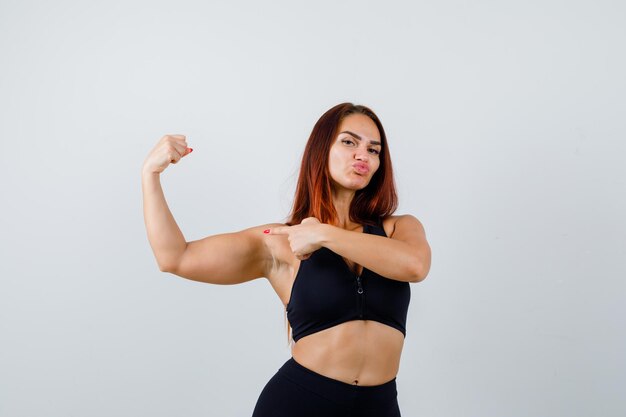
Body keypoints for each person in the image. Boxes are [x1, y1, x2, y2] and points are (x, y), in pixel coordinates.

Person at [141, 102, 431, 417]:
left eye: (374, 150)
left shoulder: (399, 228)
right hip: (299, 404)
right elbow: (174, 257)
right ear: (322, 150)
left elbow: (415, 266)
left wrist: (323, 235)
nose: (363, 154)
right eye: (349, 142)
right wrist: (149, 175)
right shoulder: (280, 242)